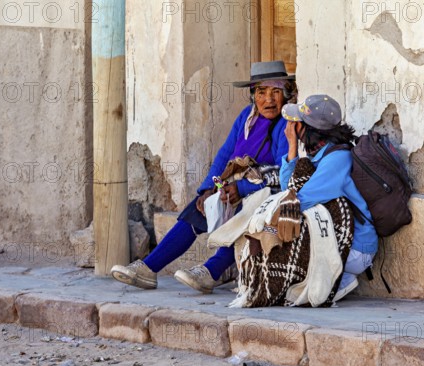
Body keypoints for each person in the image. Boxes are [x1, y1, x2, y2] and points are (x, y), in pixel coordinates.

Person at [111, 61, 296, 293]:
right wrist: (209, 187)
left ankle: (212, 272)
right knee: (198, 209)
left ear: (286, 95)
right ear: (253, 96)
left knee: (244, 215)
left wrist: (243, 188)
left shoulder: (287, 123)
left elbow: (283, 170)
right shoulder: (246, 117)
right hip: (234, 185)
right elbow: (225, 155)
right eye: (261, 92)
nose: (268, 99)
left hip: (265, 193)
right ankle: (149, 269)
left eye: (275, 92)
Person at [279, 94, 378, 301]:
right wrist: (291, 149)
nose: (290, 127)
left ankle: (339, 278)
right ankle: (337, 276)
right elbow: (288, 191)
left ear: (308, 129)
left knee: (288, 237)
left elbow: (298, 201)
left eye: (296, 124)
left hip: (357, 249)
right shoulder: (321, 155)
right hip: (346, 243)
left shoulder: (337, 159)